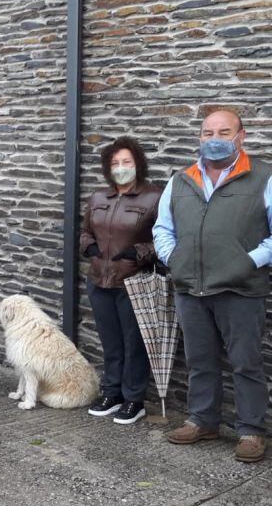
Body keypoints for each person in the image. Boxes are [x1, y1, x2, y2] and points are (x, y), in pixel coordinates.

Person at [153, 109, 270, 463]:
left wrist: (247, 262)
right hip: (191, 288)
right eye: (207, 133)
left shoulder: (263, 177)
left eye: (224, 131)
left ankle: (250, 430)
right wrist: (175, 260)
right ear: (200, 137)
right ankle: (203, 420)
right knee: (200, 360)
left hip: (240, 289)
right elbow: (162, 228)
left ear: (241, 136)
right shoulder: (181, 180)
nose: (214, 139)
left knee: (246, 363)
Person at [80, 136, 161, 425]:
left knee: (134, 342)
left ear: (137, 164)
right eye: (115, 163)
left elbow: (163, 241)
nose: (121, 167)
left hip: (133, 283)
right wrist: (87, 245)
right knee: (111, 342)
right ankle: (111, 392)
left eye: (126, 162)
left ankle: (134, 399)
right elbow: (86, 231)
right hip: (99, 281)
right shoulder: (99, 197)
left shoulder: (153, 198)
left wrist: (138, 252)